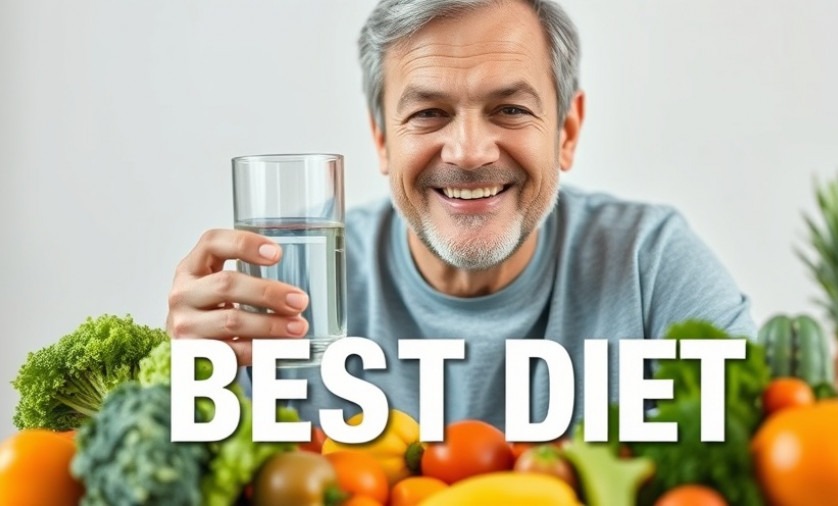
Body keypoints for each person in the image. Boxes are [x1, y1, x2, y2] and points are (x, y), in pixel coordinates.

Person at [166, 0, 755, 430]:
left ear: (567, 131)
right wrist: (185, 380)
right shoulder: (285, 284)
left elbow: (779, 449)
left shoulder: (648, 262)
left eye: (509, 108)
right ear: (380, 139)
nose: (470, 152)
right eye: (428, 114)